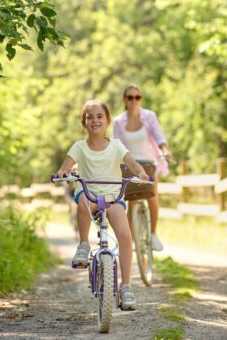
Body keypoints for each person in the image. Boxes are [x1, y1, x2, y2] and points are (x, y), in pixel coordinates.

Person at [54, 99, 150, 311]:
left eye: (99, 116)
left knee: (125, 236)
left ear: (107, 120)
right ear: (84, 122)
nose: (95, 120)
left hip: (113, 198)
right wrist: (63, 173)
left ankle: (126, 287)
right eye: (90, 117)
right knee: (83, 203)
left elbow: (132, 164)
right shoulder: (79, 147)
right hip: (90, 194)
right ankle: (83, 244)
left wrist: (141, 173)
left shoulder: (116, 146)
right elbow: (66, 166)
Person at [113, 84, 172, 252]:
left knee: (152, 196)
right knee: (131, 200)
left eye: (137, 97)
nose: (134, 101)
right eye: (130, 97)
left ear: (141, 99)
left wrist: (165, 151)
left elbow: (159, 137)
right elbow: (116, 144)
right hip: (129, 164)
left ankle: (153, 234)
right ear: (125, 100)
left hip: (148, 162)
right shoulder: (118, 121)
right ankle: (131, 241)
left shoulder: (149, 116)